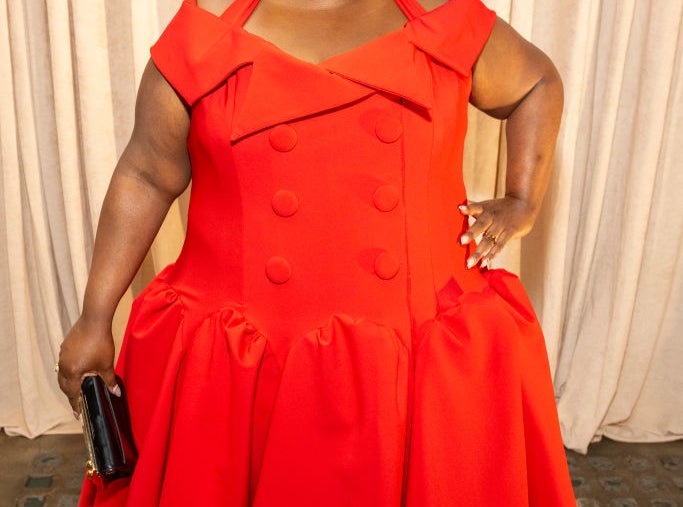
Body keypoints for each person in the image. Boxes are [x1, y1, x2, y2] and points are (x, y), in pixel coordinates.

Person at [58, 0, 575, 504]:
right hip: (243, 369)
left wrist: (522, 200)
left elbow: (536, 83)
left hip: (416, 360)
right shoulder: (205, 31)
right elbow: (146, 174)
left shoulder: (443, 17)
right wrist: (94, 317)